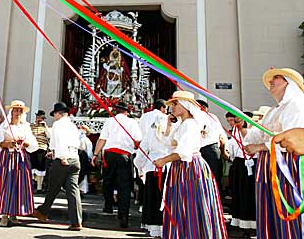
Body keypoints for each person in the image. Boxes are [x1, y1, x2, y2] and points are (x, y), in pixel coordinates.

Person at [153, 91, 227, 239]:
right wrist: (168, 123)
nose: (172, 107)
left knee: (191, 203)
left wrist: (163, 161)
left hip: (190, 168)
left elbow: (183, 152)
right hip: (182, 168)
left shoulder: (190, 125)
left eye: (176, 104)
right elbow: (169, 143)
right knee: (183, 203)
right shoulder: (182, 125)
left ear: (186, 106)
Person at [244, 68, 304, 239]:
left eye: (276, 77)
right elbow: (257, 134)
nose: (271, 81)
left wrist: (258, 147)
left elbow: (289, 139)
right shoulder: (273, 110)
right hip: (269, 164)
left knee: (286, 202)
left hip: (285, 165)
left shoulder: (296, 104)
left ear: (288, 82)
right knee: (269, 206)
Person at [91, 101, 142, 228]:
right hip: (124, 154)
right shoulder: (132, 122)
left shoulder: (110, 121)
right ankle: (123, 214)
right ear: (126, 112)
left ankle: (108, 205)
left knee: (108, 180)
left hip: (109, 154)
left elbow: (102, 139)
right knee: (124, 185)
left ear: (116, 110)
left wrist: (95, 154)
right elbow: (138, 140)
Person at [34, 102, 83, 231]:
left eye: (54, 114)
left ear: (57, 114)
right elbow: (78, 143)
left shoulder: (58, 124)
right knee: (73, 191)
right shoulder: (73, 126)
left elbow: (60, 141)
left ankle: (43, 211)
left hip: (63, 159)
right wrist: (55, 152)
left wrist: (62, 156)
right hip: (75, 158)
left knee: (53, 188)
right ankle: (76, 221)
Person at [0, 100, 38, 227]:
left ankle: (14, 213)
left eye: (20, 111)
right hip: (6, 158)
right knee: (5, 184)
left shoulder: (26, 127)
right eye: (16, 110)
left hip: (21, 159)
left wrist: (24, 143)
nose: (18, 113)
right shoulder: (4, 127)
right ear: (11, 112)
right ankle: (4, 214)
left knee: (19, 185)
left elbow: (33, 145)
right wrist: (8, 144)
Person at [134, 100, 171, 238]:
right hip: (169, 168)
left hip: (152, 167)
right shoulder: (171, 135)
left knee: (153, 199)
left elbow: (141, 154)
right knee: (165, 198)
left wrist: (140, 168)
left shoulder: (149, 133)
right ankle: (166, 226)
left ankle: (155, 229)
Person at [225, 112, 256, 237]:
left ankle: (253, 225)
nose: (235, 123)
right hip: (238, 164)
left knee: (250, 194)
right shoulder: (235, 132)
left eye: (238, 121)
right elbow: (231, 148)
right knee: (240, 194)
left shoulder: (253, 131)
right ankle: (242, 225)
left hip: (251, 164)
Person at [197, 99, 227, 189]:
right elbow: (222, 137)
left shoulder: (202, 116)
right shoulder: (213, 117)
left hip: (208, 150)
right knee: (213, 178)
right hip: (211, 150)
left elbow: (221, 137)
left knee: (210, 178)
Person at [29, 110, 49, 193]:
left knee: (40, 168)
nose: (40, 119)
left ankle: (39, 187)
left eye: (41, 118)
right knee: (32, 167)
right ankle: (32, 185)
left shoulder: (45, 127)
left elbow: (49, 137)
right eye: (39, 117)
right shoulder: (31, 126)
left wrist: (46, 127)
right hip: (33, 148)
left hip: (42, 148)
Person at [77, 124, 93, 196]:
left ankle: (82, 190)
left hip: (83, 158)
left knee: (83, 174)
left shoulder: (86, 140)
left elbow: (89, 151)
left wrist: (90, 159)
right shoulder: (76, 138)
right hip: (77, 157)